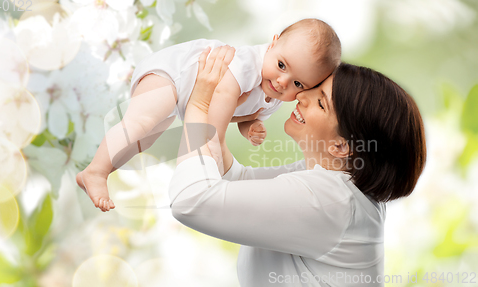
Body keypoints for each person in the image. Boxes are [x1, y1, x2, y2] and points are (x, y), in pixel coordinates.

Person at [170, 46, 426, 286]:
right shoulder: (329, 182)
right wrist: (220, 111)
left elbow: (190, 201)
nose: (302, 95)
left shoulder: (331, 200)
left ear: (340, 146)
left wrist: (199, 104)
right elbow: (235, 179)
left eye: (321, 102)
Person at [76, 18, 342, 212]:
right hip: (173, 74)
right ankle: (96, 171)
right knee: (140, 123)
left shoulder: (272, 95)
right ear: (272, 44)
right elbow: (224, 95)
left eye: (298, 84)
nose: (283, 82)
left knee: (143, 139)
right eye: (281, 65)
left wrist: (250, 127)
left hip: (183, 98)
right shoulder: (248, 63)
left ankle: (103, 170)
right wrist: (214, 141)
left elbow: (242, 113)